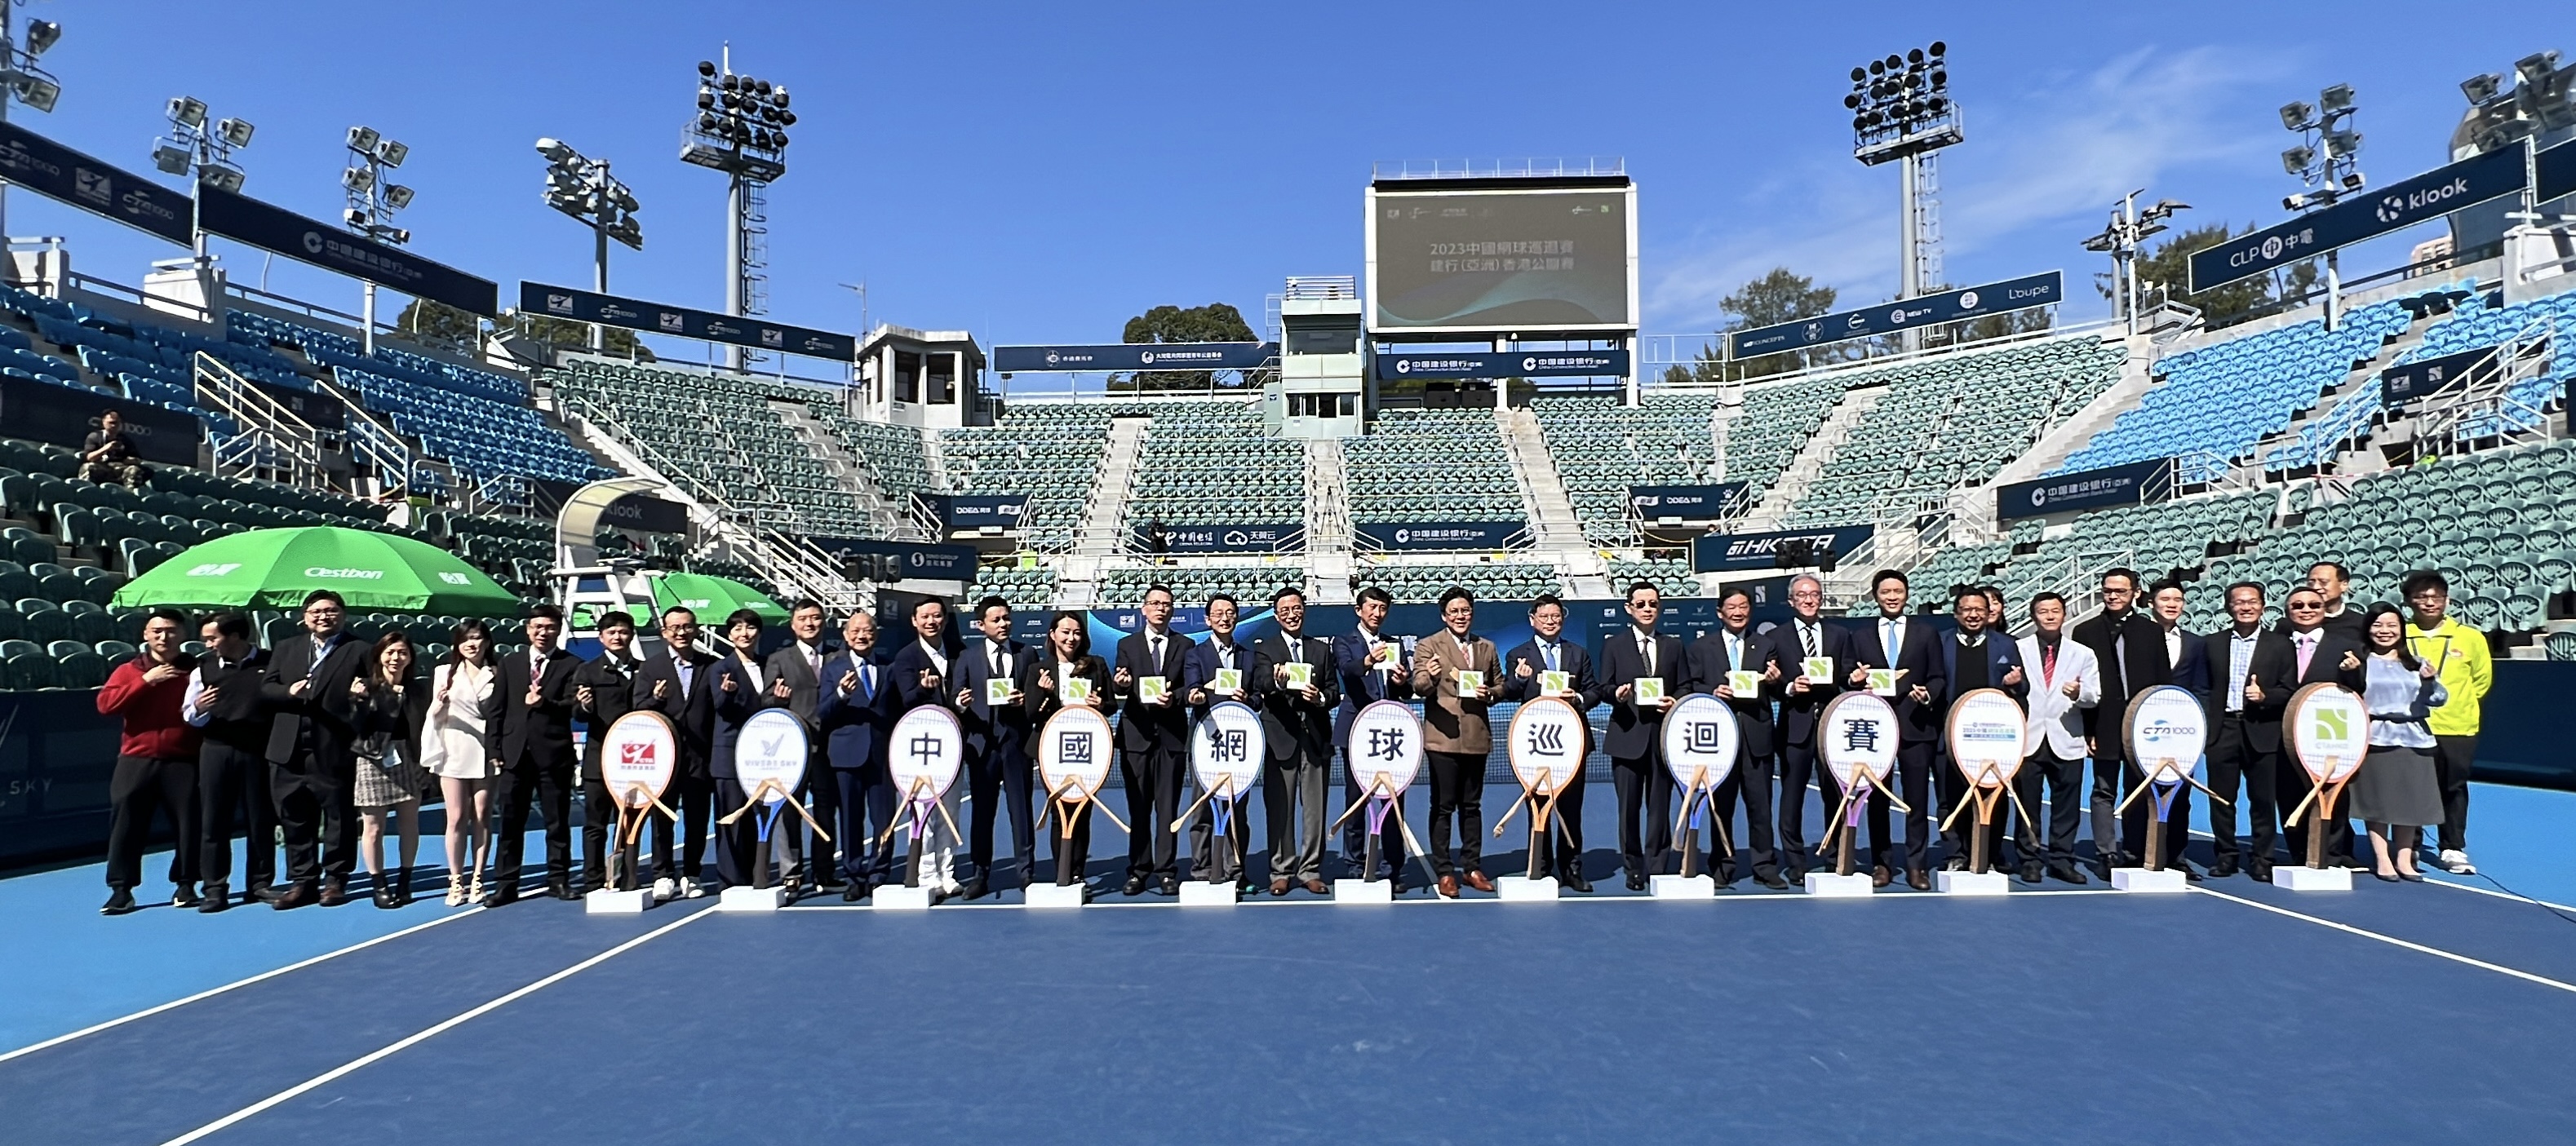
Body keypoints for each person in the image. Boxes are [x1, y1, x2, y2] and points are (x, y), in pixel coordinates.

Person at [259, 590, 372, 909]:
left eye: (331, 611)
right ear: (305, 616)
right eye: (316, 611)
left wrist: (363, 692)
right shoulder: (286, 648)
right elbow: (266, 689)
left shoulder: (359, 649)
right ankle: (303, 881)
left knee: (338, 817)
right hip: (288, 748)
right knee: (294, 816)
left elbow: (377, 688)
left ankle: (336, 879)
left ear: (343, 615)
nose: (323, 616)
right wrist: (288, 692)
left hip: (333, 746)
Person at [97, 608, 202, 914]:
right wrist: (146, 681)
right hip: (136, 760)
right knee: (126, 827)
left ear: (183, 635)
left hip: (184, 760)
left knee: (189, 825)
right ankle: (121, 890)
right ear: (145, 635)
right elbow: (106, 705)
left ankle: (186, 884)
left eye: (170, 631)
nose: (163, 636)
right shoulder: (129, 670)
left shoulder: (196, 671)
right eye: (156, 631)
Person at [1848, 569, 1946, 890]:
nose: (1892, 596)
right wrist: (1855, 680)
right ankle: (1882, 863)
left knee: (1917, 799)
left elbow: (1938, 676)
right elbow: (1849, 675)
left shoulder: (1926, 633)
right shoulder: (1860, 636)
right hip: (1875, 729)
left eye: (1898, 591)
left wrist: (1927, 694)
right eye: (1886, 591)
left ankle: (1917, 865)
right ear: (1875, 596)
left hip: (1916, 726)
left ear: (1906, 595)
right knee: (1876, 799)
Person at [1681, 586, 1784, 887]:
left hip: (1757, 736)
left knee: (1760, 806)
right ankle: (1723, 864)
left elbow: (1778, 690)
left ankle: (1765, 865)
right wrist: (1712, 691)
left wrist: (1777, 682)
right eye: (1732, 607)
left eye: (1744, 607)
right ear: (1720, 612)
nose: (1738, 612)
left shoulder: (1765, 645)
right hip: (1718, 740)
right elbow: (1689, 686)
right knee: (1720, 806)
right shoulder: (1701, 648)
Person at [1502, 593, 1604, 889]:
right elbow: (1508, 692)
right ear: (1532, 620)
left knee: (1571, 810)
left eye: (1556, 617)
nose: (1551, 622)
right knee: (1538, 809)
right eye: (1544, 617)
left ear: (1563, 620)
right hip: (1534, 746)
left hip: (1571, 745)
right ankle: (1541, 866)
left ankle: (1572, 869)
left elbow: (1594, 690)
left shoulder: (1578, 654)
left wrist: (1580, 698)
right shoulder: (1518, 655)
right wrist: (1520, 680)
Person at [479, 604, 580, 905]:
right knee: (511, 822)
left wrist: (544, 702)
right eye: (537, 627)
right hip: (514, 754)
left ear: (559, 630)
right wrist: (494, 748)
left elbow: (573, 706)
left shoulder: (571, 664)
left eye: (549, 627)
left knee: (557, 821)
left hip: (553, 754)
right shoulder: (511, 663)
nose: (543, 632)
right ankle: (506, 883)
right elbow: (496, 709)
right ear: (527, 629)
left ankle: (558, 879)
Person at [2073, 568, 2167, 877]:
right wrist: (2089, 729)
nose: (2113, 596)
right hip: (2103, 723)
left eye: (2120, 591)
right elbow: (2084, 685)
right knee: (2103, 789)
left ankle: (2135, 848)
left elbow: (2162, 682)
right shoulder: (2085, 632)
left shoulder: (2151, 632)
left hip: (2144, 725)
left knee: (2138, 788)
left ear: (2136, 594)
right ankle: (2106, 852)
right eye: (2108, 591)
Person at [2345, 604, 2450, 881]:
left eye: (2391, 625)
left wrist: (2429, 681)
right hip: (2376, 738)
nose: (2385, 631)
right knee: (2378, 803)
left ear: (2401, 629)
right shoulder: (2360, 661)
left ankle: (2405, 859)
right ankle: (2382, 859)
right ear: (2368, 629)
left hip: (2416, 739)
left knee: (2410, 804)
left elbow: (2438, 699)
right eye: (2378, 625)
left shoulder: (2417, 663)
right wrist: (2350, 673)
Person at [182, 610, 276, 911]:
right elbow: (190, 717)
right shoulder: (203, 670)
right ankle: (215, 888)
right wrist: (198, 707)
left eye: (213, 638)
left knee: (260, 819)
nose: (207, 644)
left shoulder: (271, 662)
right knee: (213, 821)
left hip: (258, 750)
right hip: (216, 750)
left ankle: (260, 884)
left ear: (235, 636)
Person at [2204, 583, 2298, 882]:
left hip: (2263, 729)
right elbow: (2204, 688)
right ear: (2228, 607)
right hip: (2223, 729)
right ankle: (2226, 855)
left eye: (2252, 602)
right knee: (2221, 799)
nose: (2246, 607)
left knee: (2262, 799)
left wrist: (2265, 697)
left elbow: (2289, 689)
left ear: (2262, 606)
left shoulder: (2280, 644)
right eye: (2239, 602)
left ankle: (2263, 858)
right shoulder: (2212, 643)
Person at [1411, 586, 1501, 898]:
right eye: (1454, 612)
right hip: (1443, 739)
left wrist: (1490, 693)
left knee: (1472, 806)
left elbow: (1499, 686)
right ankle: (1445, 871)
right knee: (1443, 806)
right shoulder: (1428, 645)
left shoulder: (1486, 647)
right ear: (1444, 616)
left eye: (1465, 611)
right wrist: (1432, 676)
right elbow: (1419, 686)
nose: (1461, 616)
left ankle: (1472, 866)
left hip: (1476, 737)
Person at [1252, 586, 1339, 896]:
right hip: (1281, 738)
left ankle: (1311, 869)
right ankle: (1281, 869)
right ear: (1277, 615)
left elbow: (1333, 692)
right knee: (1280, 808)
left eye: (1297, 607)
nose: (1292, 613)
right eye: (1285, 609)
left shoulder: (1321, 649)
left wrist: (1320, 699)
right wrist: (1276, 682)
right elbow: (1260, 683)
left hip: (1314, 738)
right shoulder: (1266, 649)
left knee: (1315, 809)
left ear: (1304, 610)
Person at [1931, 585, 2025, 872]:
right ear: (1956, 613)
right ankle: (1955, 854)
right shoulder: (1940, 642)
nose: (1973, 615)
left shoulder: (2005, 644)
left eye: (1979, 610)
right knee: (1949, 797)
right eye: (1967, 610)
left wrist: (2015, 683)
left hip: (1991, 737)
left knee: (1993, 798)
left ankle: (1990, 852)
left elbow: (2023, 686)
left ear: (1989, 613)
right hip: (1948, 734)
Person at [2402, 570, 2490, 875]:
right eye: (2421, 597)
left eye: (2435, 597)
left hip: (2457, 726)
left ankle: (2452, 846)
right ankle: (2408, 845)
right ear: (2409, 602)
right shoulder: (2400, 635)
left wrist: (2456, 706)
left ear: (2447, 600)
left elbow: (2481, 681)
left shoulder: (2470, 637)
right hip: (2412, 726)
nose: (2429, 602)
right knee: (2411, 787)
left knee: (2453, 787)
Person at [2118, 579, 2209, 874]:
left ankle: (2175, 855)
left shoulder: (2196, 642)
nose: (2172, 604)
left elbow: (2201, 687)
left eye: (2178, 599)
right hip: (2143, 727)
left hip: (2181, 733)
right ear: (2151, 602)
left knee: (2180, 794)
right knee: (2137, 789)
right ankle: (2134, 851)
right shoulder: (2135, 636)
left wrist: (2196, 723)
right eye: (2165, 598)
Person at [1600, 580, 1685, 892]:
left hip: (1662, 739)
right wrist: (1617, 694)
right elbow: (1603, 687)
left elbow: (1685, 685)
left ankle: (1658, 864)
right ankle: (1633, 867)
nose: (1647, 609)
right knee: (1629, 809)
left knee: (1660, 806)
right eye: (1641, 604)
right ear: (1629, 609)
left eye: (1652, 604)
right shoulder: (1614, 645)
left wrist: (1674, 700)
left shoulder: (1674, 646)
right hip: (1626, 737)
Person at [2277, 586, 2369, 868]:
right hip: (2284, 732)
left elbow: (2358, 689)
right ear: (2288, 612)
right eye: (2298, 606)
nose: (2306, 610)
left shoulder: (2345, 644)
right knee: (2289, 793)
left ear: (2324, 611)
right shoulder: (2275, 643)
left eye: (2313, 606)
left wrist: (2354, 671)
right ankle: (2298, 852)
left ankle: (2331, 853)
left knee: (2334, 794)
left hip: (2327, 732)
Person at [634, 605, 720, 900]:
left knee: (697, 818)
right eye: (675, 628)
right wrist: (655, 699)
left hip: (700, 755)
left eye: (687, 626)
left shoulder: (710, 665)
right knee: (662, 818)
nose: (681, 632)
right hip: (664, 757)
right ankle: (662, 874)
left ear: (696, 629)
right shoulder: (651, 667)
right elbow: (639, 708)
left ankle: (692, 873)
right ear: (664, 633)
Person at [1110, 586, 1191, 896]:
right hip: (1136, 737)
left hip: (1171, 738)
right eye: (1155, 604)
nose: (1161, 609)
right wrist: (1122, 684)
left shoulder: (1185, 645)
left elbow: (1188, 688)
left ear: (1172, 610)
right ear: (1143, 609)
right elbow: (1122, 684)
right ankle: (1139, 870)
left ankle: (1167, 870)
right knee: (1139, 808)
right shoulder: (1127, 644)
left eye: (1167, 604)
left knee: (1168, 810)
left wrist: (1176, 699)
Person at [1770, 573, 1851, 880]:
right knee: (1792, 797)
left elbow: (1846, 673)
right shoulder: (1776, 638)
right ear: (1792, 601)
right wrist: (1789, 687)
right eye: (1802, 595)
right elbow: (1772, 684)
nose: (1808, 599)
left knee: (1836, 795)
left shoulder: (1840, 635)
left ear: (1821, 599)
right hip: (1795, 725)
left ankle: (1835, 855)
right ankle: (1796, 861)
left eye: (1814, 594)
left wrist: (1853, 679)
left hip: (1831, 726)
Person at [2013, 593, 2099, 884]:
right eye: (2043, 611)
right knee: (2028, 804)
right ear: (2033, 616)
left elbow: (2094, 695)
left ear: (2064, 614)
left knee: (2067, 805)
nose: (2049, 616)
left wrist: (2078, 694)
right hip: (2029, 737)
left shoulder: (2083, 653)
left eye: (2055, 611)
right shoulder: (2018, 649)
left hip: (2067, 736)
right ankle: (2029, 859)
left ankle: (2062, 860)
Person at [954, 595, 1036, 898]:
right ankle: (980, 874)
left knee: (1021, 810)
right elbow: (955, 697)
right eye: (996, 620)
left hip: (1016, 743)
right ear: (981, 625)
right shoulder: (967, 658)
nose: (1003, 624)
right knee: (982, 812)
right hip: (981, 746)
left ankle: (1026, 872)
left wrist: (1025, 701)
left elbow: (1035, 696)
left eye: (1006, 618)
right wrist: (960, 705)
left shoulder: (1027, 652)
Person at [1023, 612, 1113, 887]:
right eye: (1065, 632)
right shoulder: (1038, 670)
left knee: (1082, 812)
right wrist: (1042, 693)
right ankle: (1061, 869)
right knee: (1058, 812)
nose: (1071, 638)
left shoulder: (1096, 665)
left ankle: (1077, 871)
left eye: (1076, 633)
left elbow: (1110, 705)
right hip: (1053, 752)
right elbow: (1030, 714)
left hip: (1087, 749)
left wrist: (1099, 703)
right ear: (1052, 635)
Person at [1332, 586, 1411, 883]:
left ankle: (1393, 866)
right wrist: (1369, 660)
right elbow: (1348, 670)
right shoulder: (1344, 641)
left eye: (1382, 609)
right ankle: (1355, 864)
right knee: (1356, 799)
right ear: (1359, 611)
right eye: (1372, 608)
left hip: (1389, 733)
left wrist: (1402, 680)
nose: (1377, 614)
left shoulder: (1395, 644)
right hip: (1356, 731)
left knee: (1392, 800)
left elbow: (1404, 689)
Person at [815, 610, 895, 900]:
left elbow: (898, 711)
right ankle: (854, 874)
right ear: (847, 636)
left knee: (883, 818)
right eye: (856, 631)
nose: (862, 636)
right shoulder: (833, 669)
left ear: (876, 635)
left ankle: (879, 873)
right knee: (851, 818)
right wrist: (840, 694)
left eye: (868, 631)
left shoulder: (888, 668)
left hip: (881, 755)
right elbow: (821, 712)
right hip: (845, 755)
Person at [886, 597, 962, 896]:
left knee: (950, 813)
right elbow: (906, 698)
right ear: (915, 622)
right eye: (925, 616)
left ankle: (948, 873)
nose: (932, 621)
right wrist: (924, 688)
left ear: (945, 620)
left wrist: (962, 704)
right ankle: (926, 873)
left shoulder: (958, 652)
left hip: (952, 745)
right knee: (923, 813)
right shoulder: (906, 657)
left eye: (937, 616)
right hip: (920, 746)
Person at [420, 619, 499, 905]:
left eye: (477, 638)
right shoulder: (444, 673)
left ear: (486, 642)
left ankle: (478, 879)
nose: (471, 644)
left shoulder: (497, 673)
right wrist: (438, 705)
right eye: (465, 639)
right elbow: (435, 715)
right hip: (454, 750)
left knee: (481, 816)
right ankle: (456, 881)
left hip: (486, 751)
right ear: (457, 644)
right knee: (455, 818)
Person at [762, 600, 839, 893]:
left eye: (816, 618)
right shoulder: (779, 659)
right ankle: (791, 872)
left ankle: (825, 871)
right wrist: (778, 700)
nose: (810, 624)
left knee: (825, 811)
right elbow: (766, 702)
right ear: (793, 625)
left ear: (824, 622)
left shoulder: (837, 657)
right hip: (793, 748)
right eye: (803, 619)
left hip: (829, 747)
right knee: (789, 811)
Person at [1181, 593, 1255, 890]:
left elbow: (1258, 696)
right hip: (1206, 741)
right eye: (1218, 613)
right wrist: (1198, 695)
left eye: (1230, 612)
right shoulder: (1195, 654)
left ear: (1236, 617)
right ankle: (1202, 868)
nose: (1225, 618)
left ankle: (1236, 871)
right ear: (1208, 620)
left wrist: (1248, 697)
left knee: (1237, 811)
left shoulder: (1249, 656)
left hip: (1238, 745)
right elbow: (1192, 690)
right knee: (1202, 809)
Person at [350, 631, 429, 908]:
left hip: (409, 757)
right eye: (391, 652)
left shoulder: (419, 689)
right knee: (373, 827)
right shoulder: (365, 687)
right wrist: (359, 702)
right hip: (372, 759)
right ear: (380, 656)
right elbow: (357, 728)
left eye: (403, 653)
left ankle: (405, 881)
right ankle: (379, 885)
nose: (396, 658)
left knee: (410, 823)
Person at [573, 610, 644, 892]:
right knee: (595, 823)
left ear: (632, 635)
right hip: (599, 759)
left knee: (628, 824)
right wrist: (586, 705)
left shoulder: (644, 670)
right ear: (601, 638)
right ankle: (593, 878)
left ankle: (627, 876)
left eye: (623, 631)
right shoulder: (588, 671)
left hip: (635, 761)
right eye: (611, 632)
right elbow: (577, 713)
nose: (618, 637)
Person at [711, 608, 781, 892]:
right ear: (730, 636)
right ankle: (731, 879)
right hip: (730, 753)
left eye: (750, 628)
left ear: (759, 633)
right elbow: (720, 708)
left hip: (762, 754)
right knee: (731, 817)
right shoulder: (720, 669)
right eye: (737, 629)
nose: (744, 633)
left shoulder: (769, 665)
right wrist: (726, 694)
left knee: (758, 817)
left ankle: (757, 873)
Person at [2298, 560, 2370, 644]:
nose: (2315, 587)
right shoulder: (2296, 621)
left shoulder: (2361, 624)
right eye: (2311, 583)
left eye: (2323, 582)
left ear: (2344, 585)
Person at [78, 409, 149, 487]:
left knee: (135, 470)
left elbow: (138, 459)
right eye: (111, 423)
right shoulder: (94, 436)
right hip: (102, 466)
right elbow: (89, 457)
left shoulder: (125, 440)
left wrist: (131, 460)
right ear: (104, 422)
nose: (114, 426)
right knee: (88, 467)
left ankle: (129, 495)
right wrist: (106, 448)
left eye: (117, 423)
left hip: (119, 468)